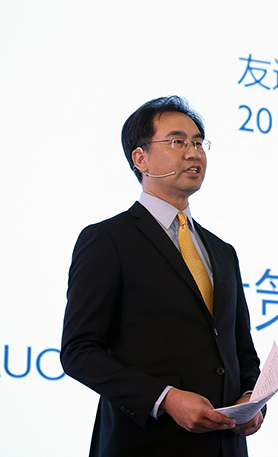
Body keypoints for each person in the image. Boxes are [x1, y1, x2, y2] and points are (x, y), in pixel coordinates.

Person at [61, 96, 263, 457]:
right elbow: (79, 352)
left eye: (198, 142)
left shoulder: (223, 251)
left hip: (226, 446)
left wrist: (252, 398)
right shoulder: (108, 239)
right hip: (144, 443)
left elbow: (241, 352)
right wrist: (165, 398)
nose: (193, 153)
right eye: (177, 141)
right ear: (140, 158)